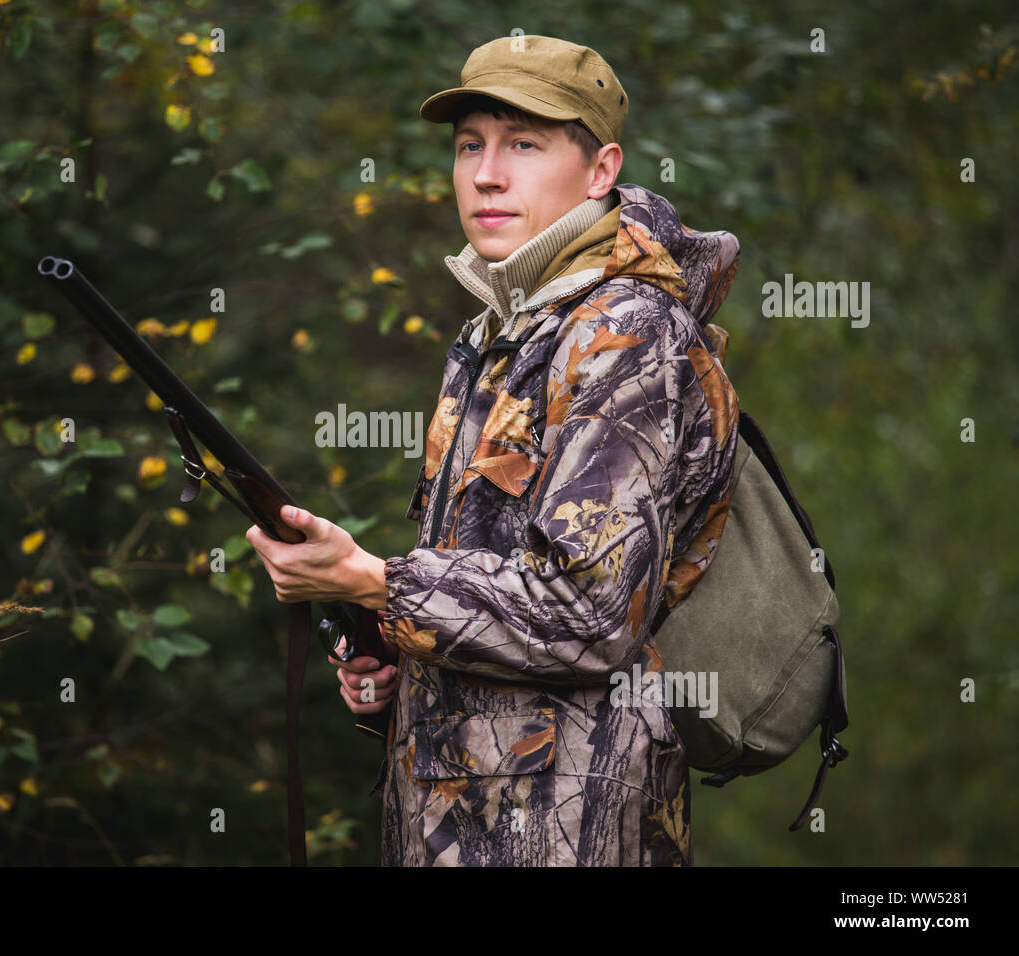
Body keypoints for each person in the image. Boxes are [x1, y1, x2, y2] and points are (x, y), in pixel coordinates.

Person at [245, 34, 741, 866]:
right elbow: (488, 590)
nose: (485, 173)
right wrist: (393, 650)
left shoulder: (628, 334)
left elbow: (587, 611)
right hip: (456, 817)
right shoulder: (496, 334)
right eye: (470, 145)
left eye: (524, 144)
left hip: (570, 826)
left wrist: (376, 579)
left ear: (600, 171)